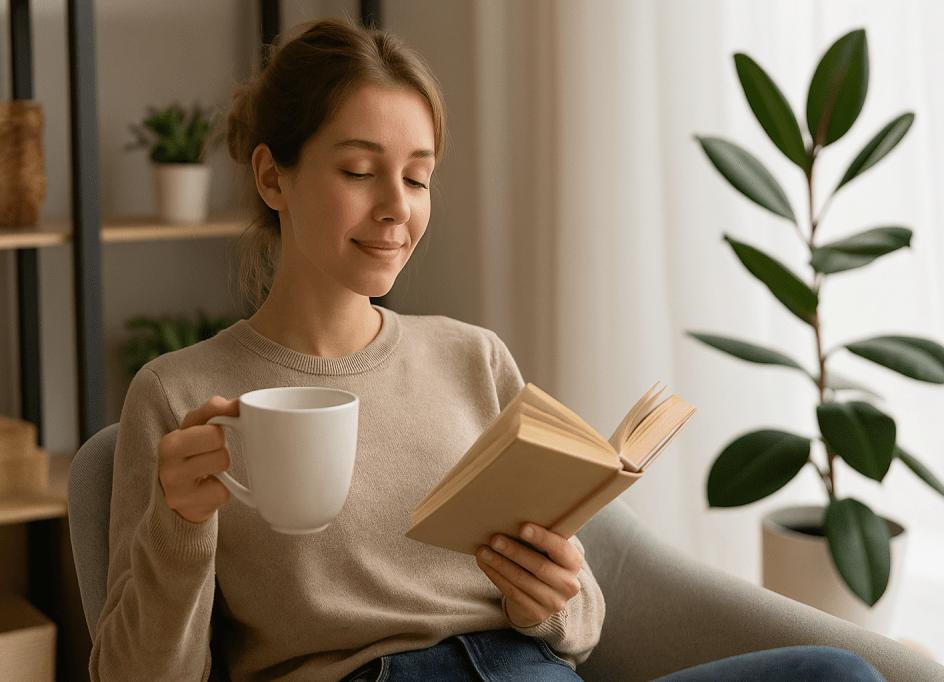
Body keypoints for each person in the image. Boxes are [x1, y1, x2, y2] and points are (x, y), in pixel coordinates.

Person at [91, 16, 887, 682]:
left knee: (841, 675)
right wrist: (180, 526)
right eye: (361, 171)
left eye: (419, 177)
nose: (396, 209)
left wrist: (550, 598)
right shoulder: (181, 397)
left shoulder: (471, 358)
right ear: (273, 177)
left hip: (531, 672)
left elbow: (581, 628)